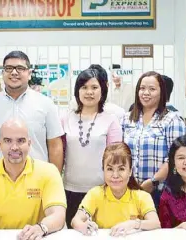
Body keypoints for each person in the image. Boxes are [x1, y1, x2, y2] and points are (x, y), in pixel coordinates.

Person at [0, 118, 66, 240]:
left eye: (21, 141)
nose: (14, 147)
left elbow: (58, 214)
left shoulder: (49, 172)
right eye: (8, 141)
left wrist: (41, 228)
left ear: (29, 144)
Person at [0, 50, 64, 172]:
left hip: (37, 180)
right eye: (9, 68)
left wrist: (54, 180)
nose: (14, 72)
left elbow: (55, 145)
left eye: (20, 68)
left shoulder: (46, 104)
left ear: (29, 73)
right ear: (3, 73)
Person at [61, 68, 122, 228]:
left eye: (94, 87)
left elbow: (115, 159)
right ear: (77, 91)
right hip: (69, 191)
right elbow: (58, 153)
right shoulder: (65, 118)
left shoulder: (111, 120)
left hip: (101, 192)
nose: (89, 92)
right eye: (84, 87)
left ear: (103, 90)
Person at [121, 71, 186, 208]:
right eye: (142, 88)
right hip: (129, 190)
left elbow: (176, 157)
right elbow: (120, 153)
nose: (146, 93)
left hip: (160, 191)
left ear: (162, 92)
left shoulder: (172, 120)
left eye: (152, 89)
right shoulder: (127, 118)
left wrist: (153, 182)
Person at [71, 142, 161, 237]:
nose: (115, 175)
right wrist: (83, 226)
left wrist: (133, 224)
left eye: (121, 169)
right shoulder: (95, 194)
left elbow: (155, 223)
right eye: (110, 169)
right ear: (103, 170)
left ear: (130, 171)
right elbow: (75, 221)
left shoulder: (142, 196)